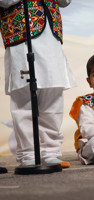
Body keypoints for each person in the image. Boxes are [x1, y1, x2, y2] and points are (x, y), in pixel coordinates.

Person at [0, 0, 76, 167]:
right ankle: (28, 153)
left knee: (52, 97)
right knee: (24, 99)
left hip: (50, 38)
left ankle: (51, 151)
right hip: (20, 37)